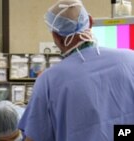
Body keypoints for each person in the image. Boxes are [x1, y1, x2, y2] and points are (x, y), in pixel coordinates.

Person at [18, 0, 134, 141]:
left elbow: (35, 137)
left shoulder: (48, 81)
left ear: (55, 36)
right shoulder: (130, 59)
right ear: (90, 22)